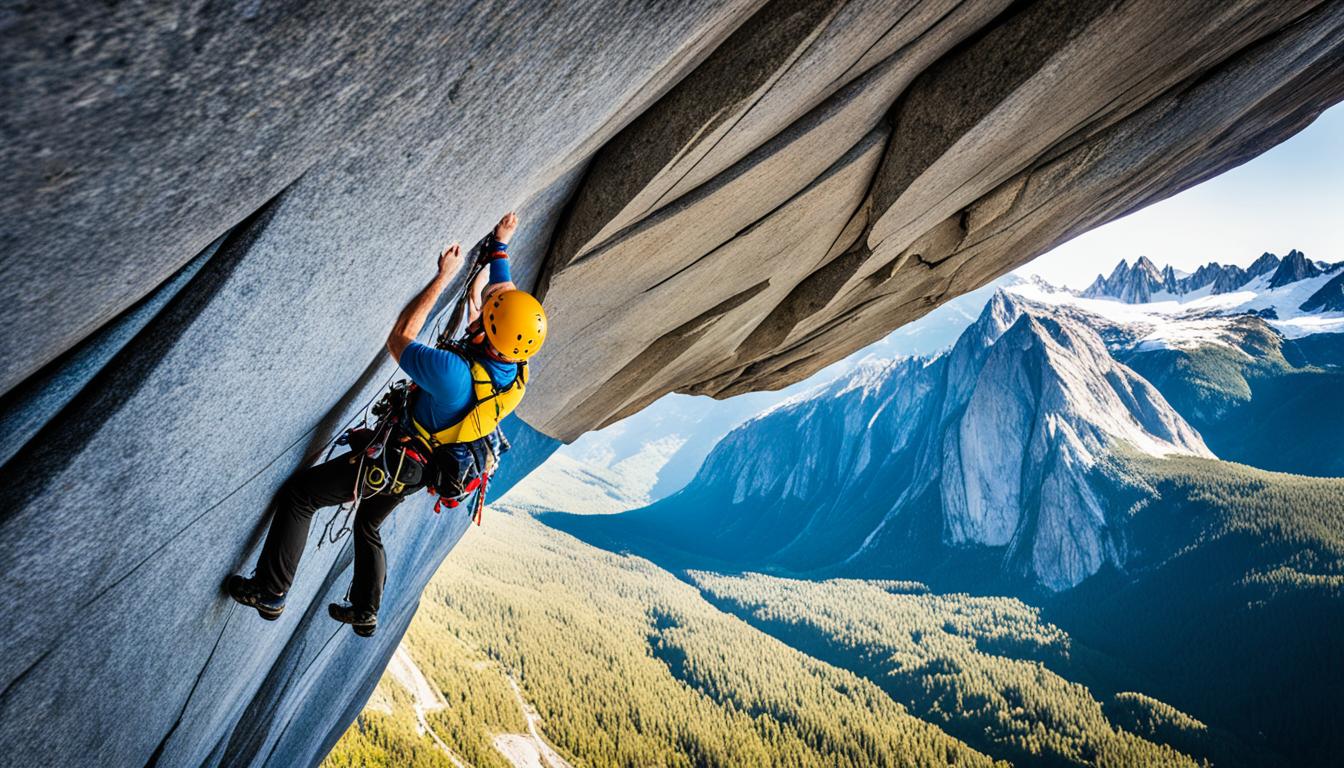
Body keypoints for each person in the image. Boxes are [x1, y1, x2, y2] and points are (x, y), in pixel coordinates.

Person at [227, 212, 547, 636]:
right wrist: (501, 246)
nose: (487, 304)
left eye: (487, 312)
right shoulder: (517, 370)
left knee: (302, 496)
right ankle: (365, 610)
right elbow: (504, 300)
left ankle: (270, 592)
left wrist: (443, 277)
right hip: (422, 468)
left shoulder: (453, 375)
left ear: (488, 332)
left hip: (392, 457)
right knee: (368, 523)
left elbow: (401, 336)